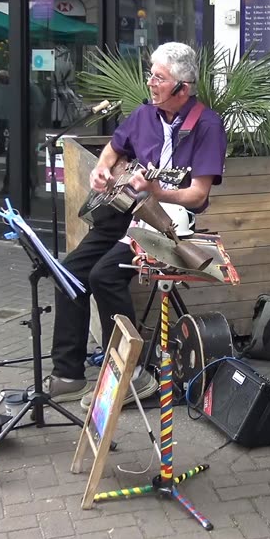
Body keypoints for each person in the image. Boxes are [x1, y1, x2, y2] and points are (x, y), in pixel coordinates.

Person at [44, 42, 227, 405]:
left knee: (104, 275)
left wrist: (160, 190)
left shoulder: (207, 125)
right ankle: (69, 373)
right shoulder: (144, 114)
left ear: (182, 88)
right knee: (69, 272)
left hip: (169, 222)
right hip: (125, 210)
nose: (150, 83)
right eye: (151, 75)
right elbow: (114, 149)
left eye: (159, 78)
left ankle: (134, 375)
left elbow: (197, 195)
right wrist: (101, 169)